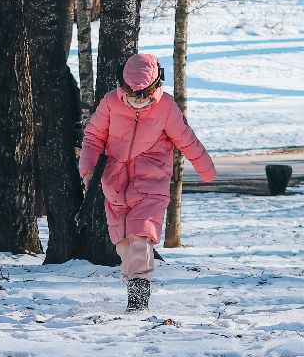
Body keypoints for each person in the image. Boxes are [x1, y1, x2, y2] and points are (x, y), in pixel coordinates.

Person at [80, 54, 217, 312]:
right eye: (132, 95)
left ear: (155, 86)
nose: (137, 101)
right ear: (122, 86)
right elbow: (93, 137)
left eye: (143, 95)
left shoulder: (166, 107)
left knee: (141, 235)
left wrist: (206, 170)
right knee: (123, 243)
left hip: (152, 182)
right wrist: (87, 171)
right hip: (115, 182)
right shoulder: (110, 103)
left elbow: (187, 140)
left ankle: (139, 299)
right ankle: (132, 281)